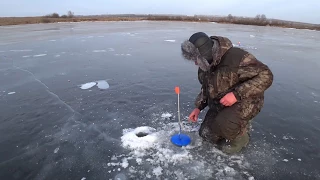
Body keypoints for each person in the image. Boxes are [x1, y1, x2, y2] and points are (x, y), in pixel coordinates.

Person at [180, 32, 273, 154]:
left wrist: (236, 95)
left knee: (226, 136)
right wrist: (199, 107)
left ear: (205, 54)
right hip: (222, 102)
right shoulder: (206, 65)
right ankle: (229, 124)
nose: (196, 63)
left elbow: (266, 76)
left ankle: (243, 135)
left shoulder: (237, 58)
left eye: (196, 59)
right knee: (206, 134)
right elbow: (206, 88)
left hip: (246, 100)